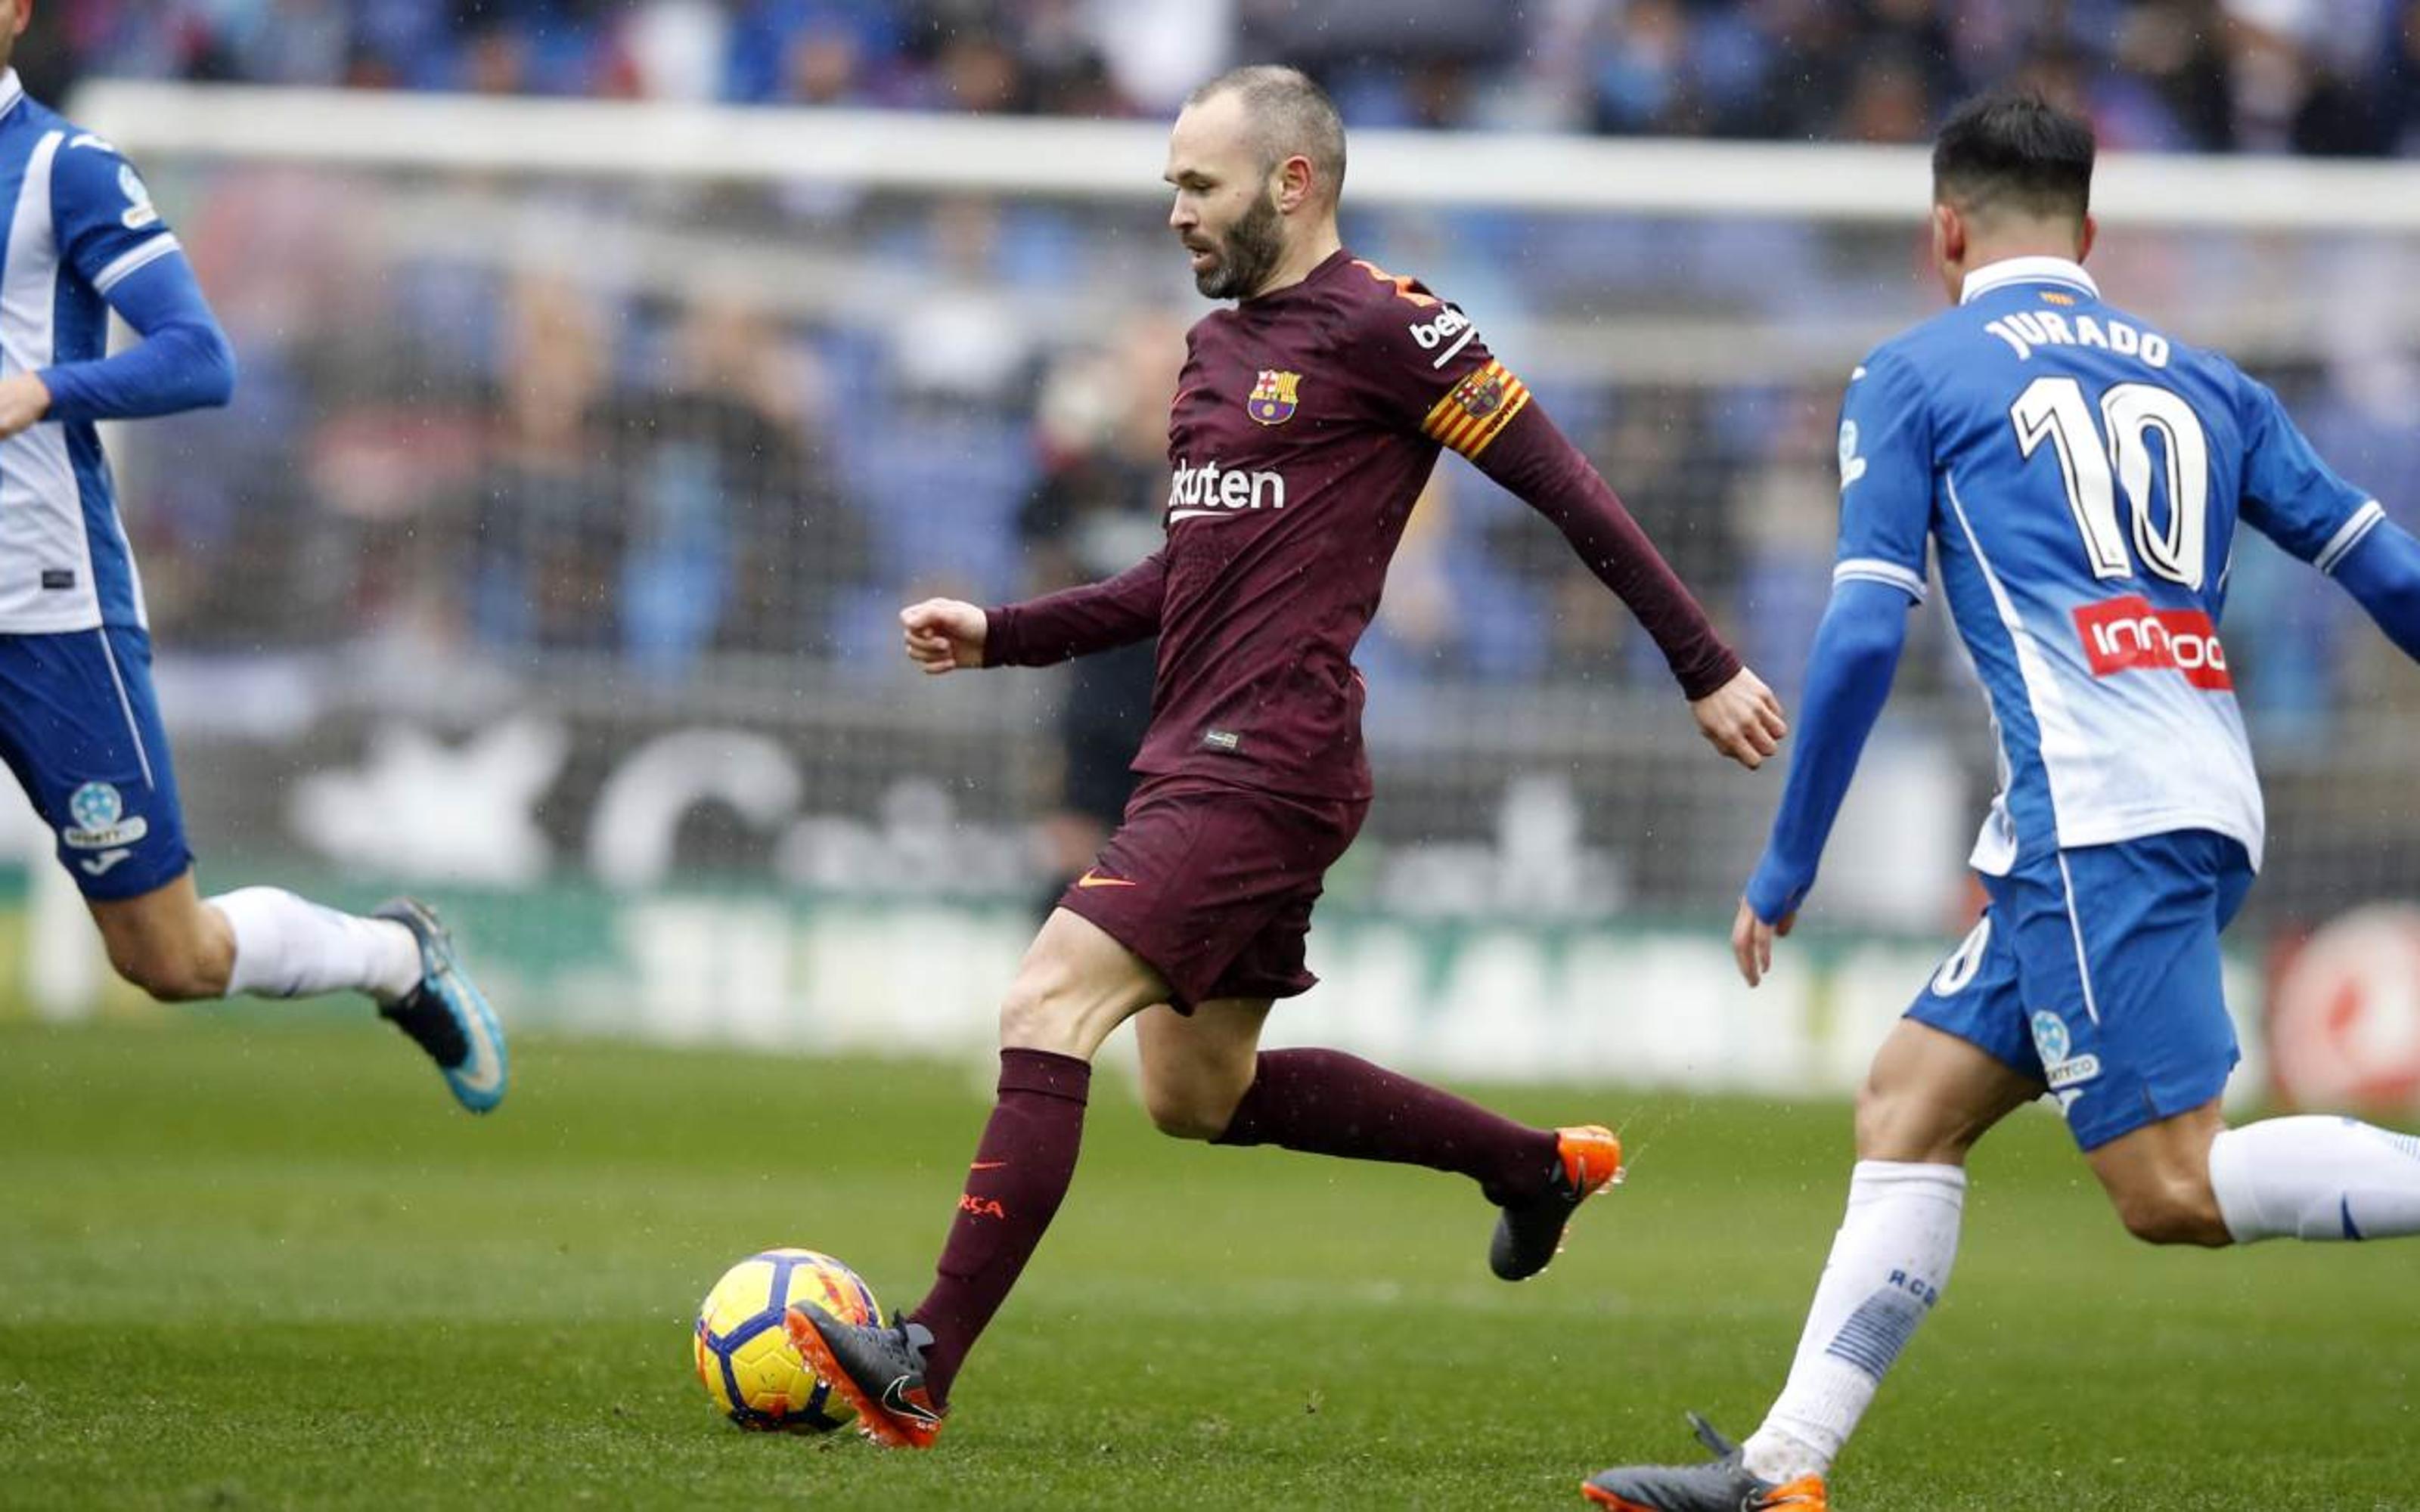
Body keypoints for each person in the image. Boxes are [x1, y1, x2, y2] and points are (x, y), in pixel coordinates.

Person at [785, 64, 1787, 1450]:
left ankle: (921, 1357)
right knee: (1200, 1095)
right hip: (1201, 749)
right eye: (1171, 189)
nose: (1178, 214)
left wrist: (1705, 664)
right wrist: (1002, 632)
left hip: (1274, 754)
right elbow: (1178, 581)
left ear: (1293, 182)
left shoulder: (1395, 327)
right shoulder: (1209, 356)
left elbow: (1569, 487)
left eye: (1199, 186)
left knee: (1047, 996)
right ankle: (1536, 1168)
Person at [1581, 91, 2420, 1512]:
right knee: (1909, 1103)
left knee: (2172, 1189)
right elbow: (2386, 568)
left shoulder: (1919, 369)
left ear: (1944, 230)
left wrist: (1786, 863)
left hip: (2099, 808)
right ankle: (1783, 1471)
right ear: (2091, 231)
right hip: (2176, 792)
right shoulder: (2210, 382)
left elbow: (1857, 634)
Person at [0, 2, 505, 1114]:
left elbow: (199, 357)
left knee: (167, 956)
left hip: (44, 607)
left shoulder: (64, 169)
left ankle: (391, 956)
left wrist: (45, 389)